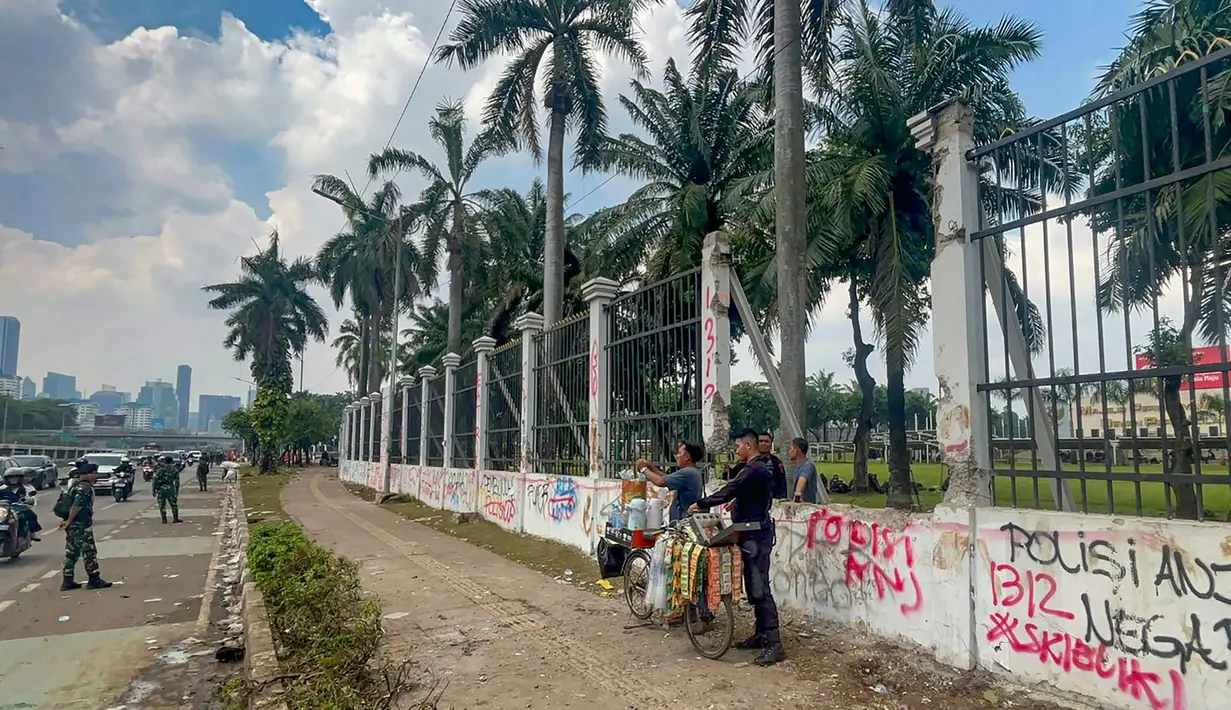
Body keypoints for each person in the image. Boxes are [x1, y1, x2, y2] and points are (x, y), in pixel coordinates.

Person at [687, 428, 785, 666]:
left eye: (738, 446)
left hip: (756, 535)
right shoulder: (755, 469)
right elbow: (742, 493)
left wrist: (701, 503)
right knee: (754, 586)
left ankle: (774, 644)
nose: (737, 450)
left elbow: (730, 489)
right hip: (751, 532)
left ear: (748, 446)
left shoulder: (755, 469)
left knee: (760, 587)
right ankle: (761, 634)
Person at [59, 462, 112, 590]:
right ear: (88, 474)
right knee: (89, 552)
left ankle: (67, 581)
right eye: (94, 473)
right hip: (80, 525)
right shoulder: (84, 488)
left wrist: (67, 522)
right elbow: (76, 506)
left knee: (71, 552)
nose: (96, 476)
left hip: (73, 526)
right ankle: (94, 579)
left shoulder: (75, 485)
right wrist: (70, 520)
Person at [635, 441, 705, 523]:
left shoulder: (688, 472)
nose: (677, 456)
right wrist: (650, 467)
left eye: (679, 453)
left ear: (687, 457)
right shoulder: (693, 472)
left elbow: (660, 482)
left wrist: (643, 469)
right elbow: (665, 478)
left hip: (683, 520)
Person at [0, 469, 40, 541]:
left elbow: (30, 497)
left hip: (19, 508)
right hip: (4, 508)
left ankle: (32, 533)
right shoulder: (2, 488)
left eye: (16, 477)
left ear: (20, 478)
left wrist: (28, 500)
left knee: (30, 515)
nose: (13, 479)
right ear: (7, 478)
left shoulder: (26, 488)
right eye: (11, 477)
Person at [789, 437, 821, 504]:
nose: (789, 452)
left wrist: (797, 498)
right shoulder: (797, 467)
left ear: (796, 450)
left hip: (806, 508)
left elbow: (802, 482)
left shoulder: (808, 466)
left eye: (790, 448)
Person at [757, 431, 788, 499]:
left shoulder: (776, 462)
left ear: (771, 444)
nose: (763, 444)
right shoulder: (749, 461)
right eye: (761, 441)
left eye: (766, 441)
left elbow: (782, 483)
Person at [153, 454, 182, 524]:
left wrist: (154, 490)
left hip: (161, 489)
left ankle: (164, 519)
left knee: (162, 505)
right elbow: (177, 481)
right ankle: (175, 518)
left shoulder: (160, 470)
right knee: (173, 504)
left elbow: (155, 480)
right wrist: (177, 490)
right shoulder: (174, 470)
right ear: (171, 462)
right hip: (170, 488)